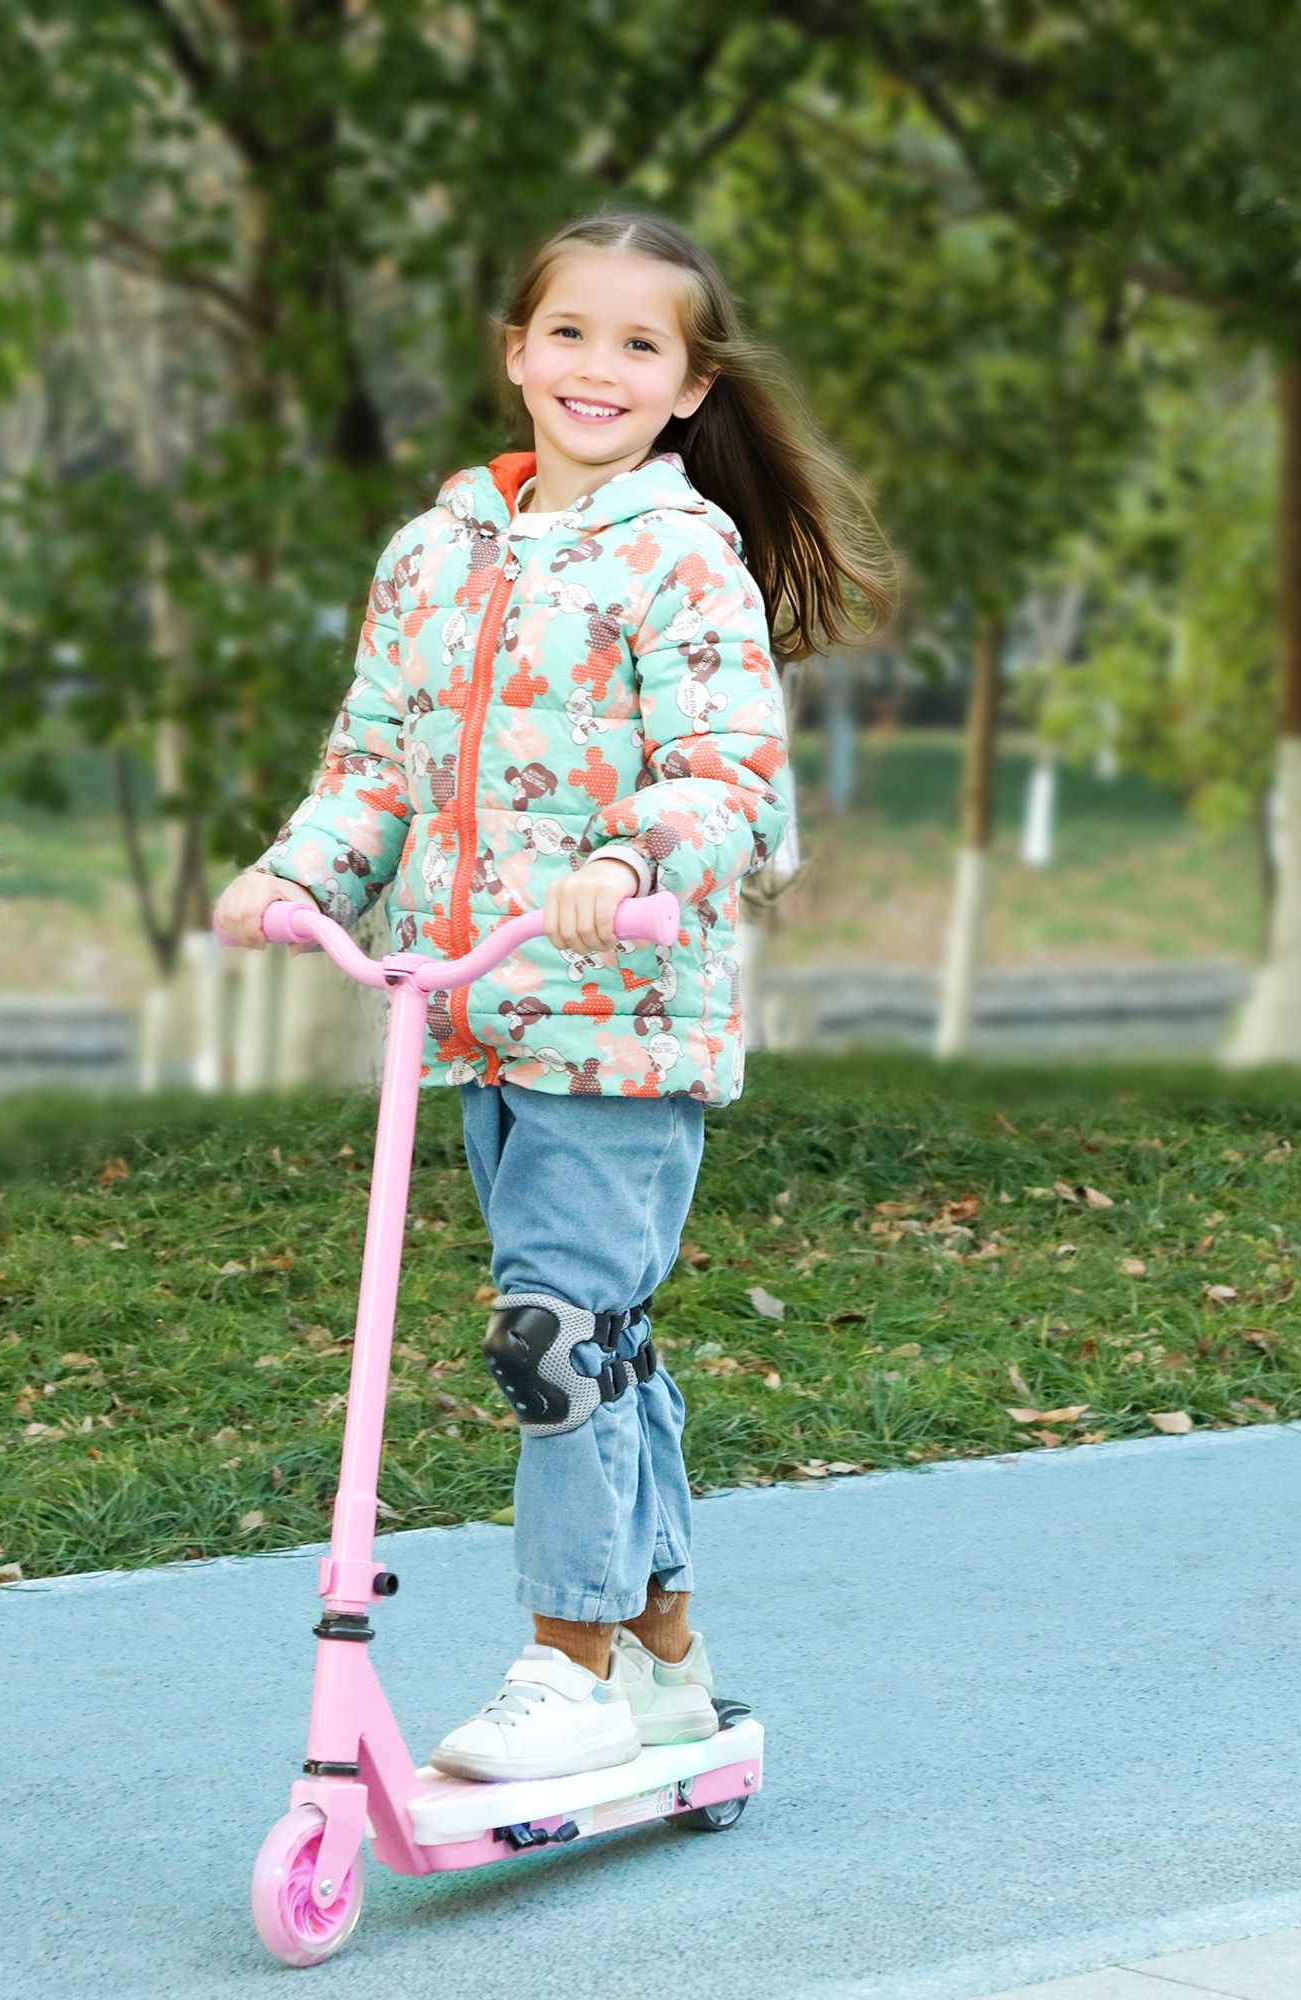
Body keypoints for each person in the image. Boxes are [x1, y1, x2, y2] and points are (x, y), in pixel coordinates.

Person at [214, 207, 895, 1784]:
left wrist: (632, 854)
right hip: (469, 1019)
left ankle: (569, 1666)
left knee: (551, 1337)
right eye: (570, 332)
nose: (599, 366)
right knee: (604, 1345)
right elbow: (375, 764)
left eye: (639, 344)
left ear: (689, 388)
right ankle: (666, 1658)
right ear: (517, 352)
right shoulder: (432, 552)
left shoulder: (682, 557)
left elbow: (729, 778)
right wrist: (295, 875)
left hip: (621, 1019)